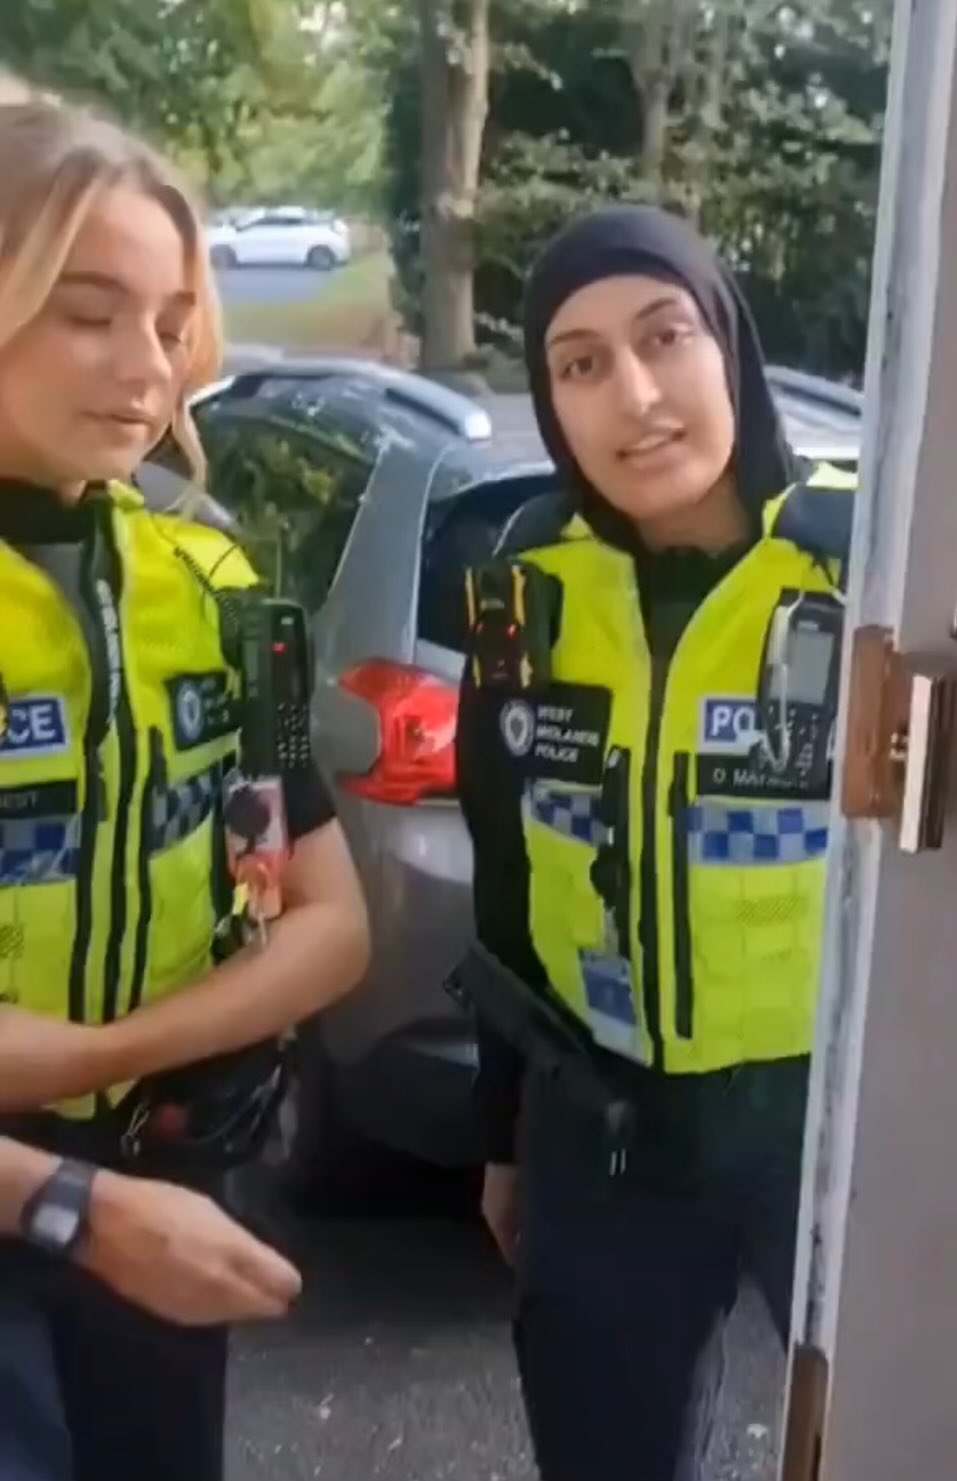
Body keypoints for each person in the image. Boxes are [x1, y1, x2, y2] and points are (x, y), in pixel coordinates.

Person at [0, 97, 371, 1481]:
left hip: (164, 1204)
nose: (146, 368)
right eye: (89, 311)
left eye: (169, 323)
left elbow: (329, 921)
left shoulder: (216, 579)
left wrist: (85, 1057)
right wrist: (76, 1192)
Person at [456, 205, 855, 1481]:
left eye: (665, 336)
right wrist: (507, 1136)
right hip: (606, 1122)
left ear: (728, 343)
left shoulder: (860, 564)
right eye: (580, 364)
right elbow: (504, 870)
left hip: (832, 1119)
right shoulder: (528, 582)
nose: (633, 395)